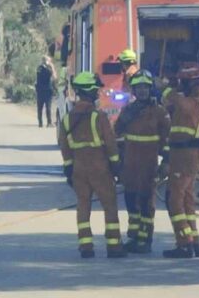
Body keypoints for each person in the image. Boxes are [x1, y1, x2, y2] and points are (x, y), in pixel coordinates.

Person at [59, 72, 126, 259]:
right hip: (100, 168)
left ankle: (85, 246)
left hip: (79, 169)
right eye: (96, 91)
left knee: (83, 206)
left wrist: (69, 168)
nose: (98, 94)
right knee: (110, 205)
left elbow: (64, 147)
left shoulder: (67, 119)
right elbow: (111, 145)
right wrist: (116, 166)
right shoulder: (99, 117)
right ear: (89, 92)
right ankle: (114, 246)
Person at [157, 63, 199, 259]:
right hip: (189, 156)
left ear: (191, 83)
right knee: (187, 199)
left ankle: (184, 242)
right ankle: (194, 241)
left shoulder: (193, 104)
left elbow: (177, 102)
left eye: (183, 83)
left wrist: (165, 87)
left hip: (184, 156)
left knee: (174, 200)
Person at [114, 70, 170, 254]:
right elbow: (116, 132)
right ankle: (134, 236)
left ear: (150, 89)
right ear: (134, 91)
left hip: (148, 166)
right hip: (130, 166)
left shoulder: (159, 113)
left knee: (147, 203)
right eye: (139, 88)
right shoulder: (128, 111)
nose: (142, 91)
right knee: (130, 200)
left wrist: (166, 163)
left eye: (145, 87)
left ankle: (146, 239)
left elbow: (166, 141)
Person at [36, 56, 56, 128]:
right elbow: (54, 77)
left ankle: (40, 123)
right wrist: (52, 67)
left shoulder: (39, 68)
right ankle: (49, 122)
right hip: (47, 90)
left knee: (40, 107)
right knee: (48, 107)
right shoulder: (48, 69)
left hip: (40, 90)